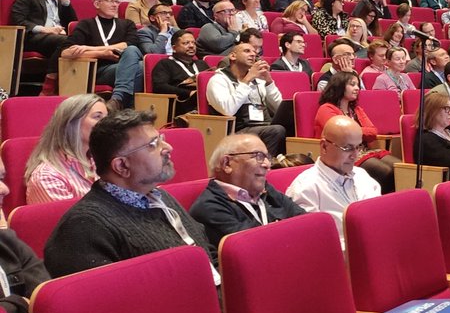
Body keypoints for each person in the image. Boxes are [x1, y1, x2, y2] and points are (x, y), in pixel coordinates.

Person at [43, 109, 218, 280]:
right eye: (152, 145)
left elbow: (207, 253)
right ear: (122, 166)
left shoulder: (160, 197)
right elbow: (111, 303)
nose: (168, 148)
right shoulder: (83, 229)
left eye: (161, 139)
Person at [188, 133, 306, 245]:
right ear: (227, 164)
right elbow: (257, 247)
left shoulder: (266, 191)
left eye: (267, 157)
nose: (267, 164)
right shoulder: (209, 207)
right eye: (259, 156)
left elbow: (307, 223)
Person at [286, 115, 382, 247]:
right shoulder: (305, 188)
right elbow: (309, 245)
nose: (355, 155)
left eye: (358, 147)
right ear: (324, 146)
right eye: (347, 148)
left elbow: (379, 219)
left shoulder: (362, 175)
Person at [0, 155, 51, 313]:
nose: (6, 189)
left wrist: (11, 309)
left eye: (1, 178)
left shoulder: (7, 241)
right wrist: (21, 305)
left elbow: (45, 299)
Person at [59, 0, 145, 109]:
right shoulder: (86, 24)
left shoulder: (127, 24)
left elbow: (129, 44)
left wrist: (89, 49)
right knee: (139, 68)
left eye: (117, 2)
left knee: (135, 56)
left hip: (122, 66)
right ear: (97, 4)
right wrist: (102, 54)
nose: (115, 5)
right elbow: (66, 52)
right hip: (98, 70)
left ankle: (118, 99)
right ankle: (127, 109)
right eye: (110, 1)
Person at [313, 71, 399, 192]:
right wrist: (358, 132)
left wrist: (355, 131)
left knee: (399, 168)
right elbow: (342, 134)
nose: (357, 88)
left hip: (365, 151)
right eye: (352, 84)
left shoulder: (356, 109)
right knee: (386, 172)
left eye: (358, 85)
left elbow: (373, 132)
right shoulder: (326, 109)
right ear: (340, 86)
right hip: (342, 153)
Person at [205, 41, 287, 155]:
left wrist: (269, 82)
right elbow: (228, 110)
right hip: (236, 129)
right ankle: (266, 166)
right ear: (233, 56)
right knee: (276, 130)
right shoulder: (218, 80)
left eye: (254, 52)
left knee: (289, 125)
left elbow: (279, 107)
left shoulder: (258, 80)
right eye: (247, 51)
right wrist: (246, 80)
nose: (253, 54)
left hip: (263, 124)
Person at [24, 94, 107, 202]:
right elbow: (73, 219)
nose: (107, 123)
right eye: (97, 117)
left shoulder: (98, 162)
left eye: (106, 117)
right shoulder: (47, 177)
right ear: (72, 123)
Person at [9, 0, 75, 62]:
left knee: (82, 41)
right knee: (67, 42)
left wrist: (66, 2)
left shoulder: (62, 1)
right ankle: (52, 74)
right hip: (33, 37)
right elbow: (17, 20)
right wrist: (44, 29)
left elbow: (72, 23)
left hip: (58, 38)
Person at [150, 29, 202, 114]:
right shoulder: (165, 64)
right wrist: (189, 93)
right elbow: (159, 87)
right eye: (186, 43)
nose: (191, 46)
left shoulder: (201, 64)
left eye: (193, 43)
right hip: (181, 104)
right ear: (174, 48)